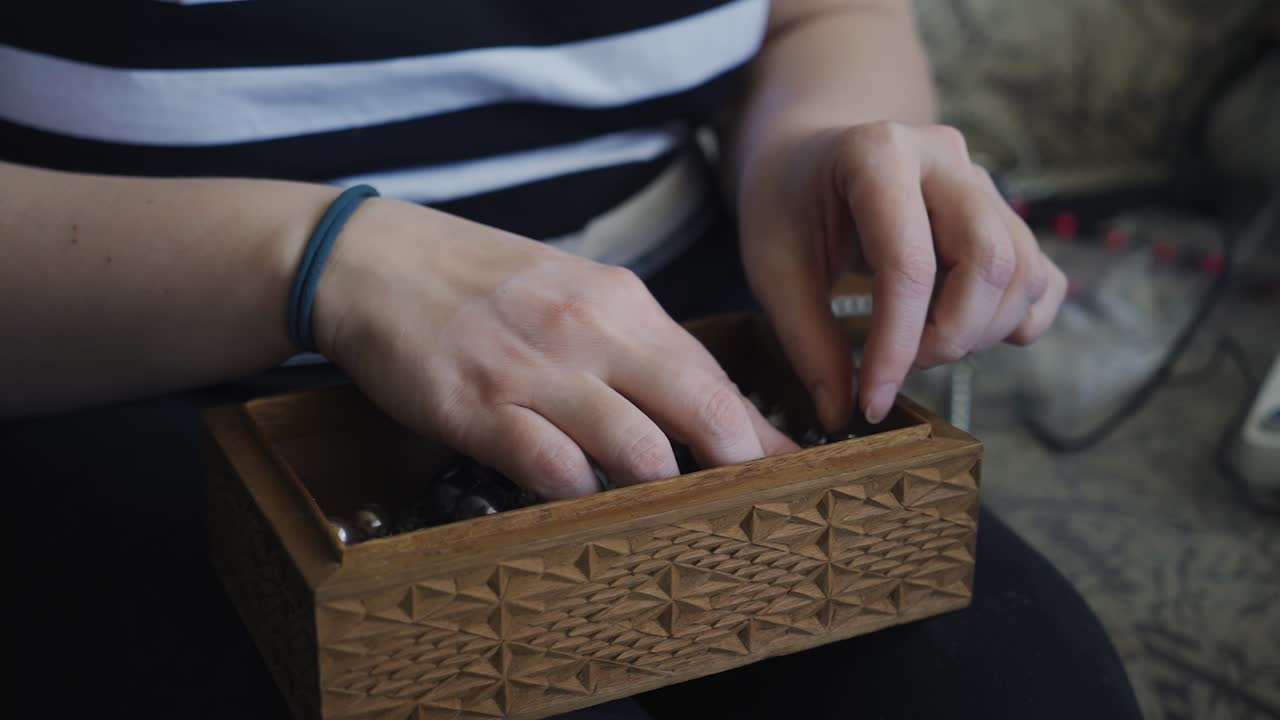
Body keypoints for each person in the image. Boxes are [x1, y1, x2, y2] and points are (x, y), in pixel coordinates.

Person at [0, 0, 1139, 717]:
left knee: (1028, 687)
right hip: (136, 363)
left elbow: (818, 16)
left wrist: (806, 149)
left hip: (675, 318)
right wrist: (326, 262)